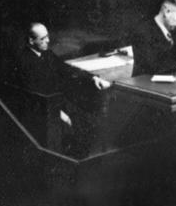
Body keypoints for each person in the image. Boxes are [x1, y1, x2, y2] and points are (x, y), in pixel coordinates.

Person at [11, 23, 110, 153]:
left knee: (89, 121)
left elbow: (66, 69)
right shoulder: (23, 62)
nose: (48, 40)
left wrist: (92, 78)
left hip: (58, 102)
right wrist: (57, 113)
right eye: (43, 38)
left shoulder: (46, 53)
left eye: (47, 36)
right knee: (75, 128)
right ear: (31, 41)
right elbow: (34, 95)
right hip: (44, 110)